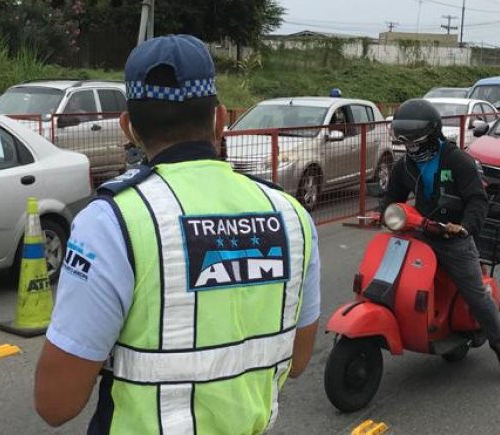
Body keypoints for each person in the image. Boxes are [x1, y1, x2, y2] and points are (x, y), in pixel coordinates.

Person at [34, 35, 321, 434]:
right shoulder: (291, 216)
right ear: (220, 120)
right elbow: (299, 360)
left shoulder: (114, 221)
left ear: (128, 128)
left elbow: (56, 403)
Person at [382, 98, 500, 380]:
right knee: (389, 277)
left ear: (432, 136)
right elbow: (391, 198)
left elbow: (477, 200)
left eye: (416, 142)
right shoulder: (404, 166)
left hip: (452, 238)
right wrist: (379, 214)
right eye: (406, 143)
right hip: (419, 232)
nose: (411, 149)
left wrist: (466, 228)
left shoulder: (457, 160)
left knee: (476, 294)